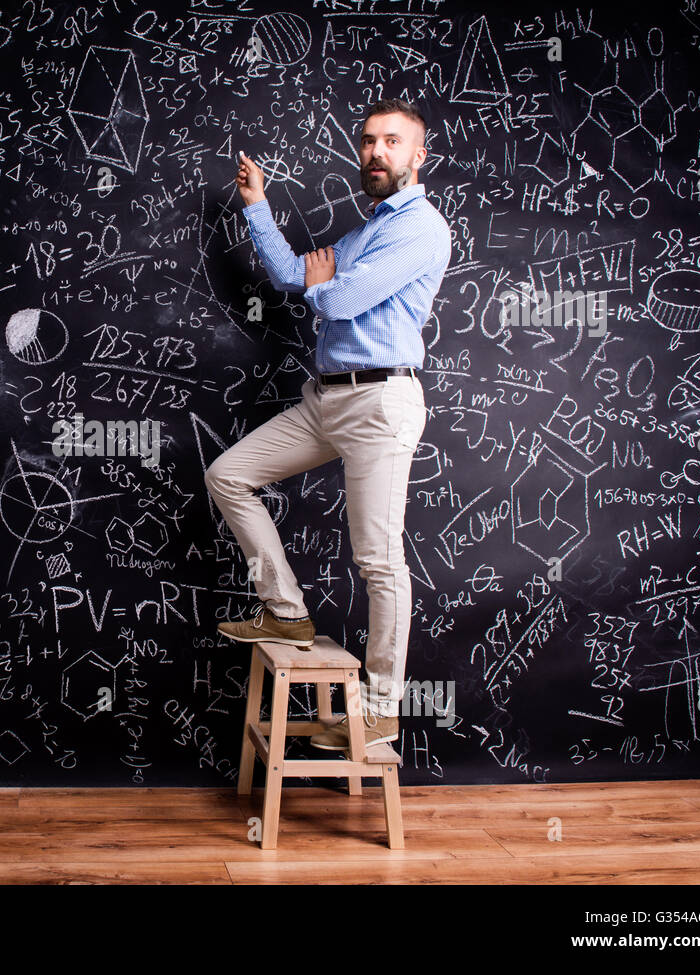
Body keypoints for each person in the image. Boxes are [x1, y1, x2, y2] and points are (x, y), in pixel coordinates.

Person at [205, 98, 452, 750]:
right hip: (328, 399)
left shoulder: (420, 228)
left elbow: (338, 297)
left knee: (378, 560)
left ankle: (380, 708)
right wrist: (258, 203)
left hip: (378, 405)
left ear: (417, 155)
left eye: (392, 142)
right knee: (229, 475)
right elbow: (295, 275)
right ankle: (285, 612)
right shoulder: (365, 233)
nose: (376, 151)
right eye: (369, 141)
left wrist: (326, 286)